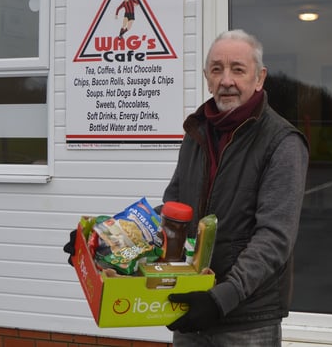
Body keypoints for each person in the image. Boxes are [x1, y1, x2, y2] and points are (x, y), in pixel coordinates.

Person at [65, 29, 309, 347]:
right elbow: (171, 214)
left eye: (238, 69)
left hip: (245, 321)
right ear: (207, 77)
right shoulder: (197, 132)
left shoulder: (281, 143)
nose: (226, 80)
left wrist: (220, 298)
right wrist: (104, 239)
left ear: (259, 78)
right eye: (217, 69)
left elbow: (274, 239)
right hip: (189, 306)